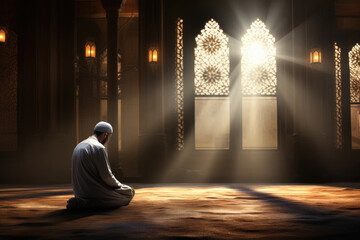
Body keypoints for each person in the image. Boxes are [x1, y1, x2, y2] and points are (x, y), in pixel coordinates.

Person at [66, 121, 135, 210]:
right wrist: (121, 186)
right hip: (93, 192)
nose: (108, 140)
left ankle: (81, 200)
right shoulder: (99, 148)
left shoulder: (79, 145)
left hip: (79, 192)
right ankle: (85, 203)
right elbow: (106, 177)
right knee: (128, 194)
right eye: (109, 137)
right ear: (105, 135)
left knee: (124, 191)